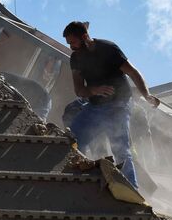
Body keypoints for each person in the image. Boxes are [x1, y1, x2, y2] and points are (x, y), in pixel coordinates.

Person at [63, 21, 159, 188]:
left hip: (119, 104)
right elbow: (79, 90)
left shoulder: (108, 49)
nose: (71, 47)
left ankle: (131, 188)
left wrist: (146, 95)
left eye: (73, 42)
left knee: (120, 147)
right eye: (69, 43)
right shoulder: (76, 58)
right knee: (74, 138)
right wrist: (95, 90)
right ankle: (76, 175)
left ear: (85, 37)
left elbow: (133, 73)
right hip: (95, 107)